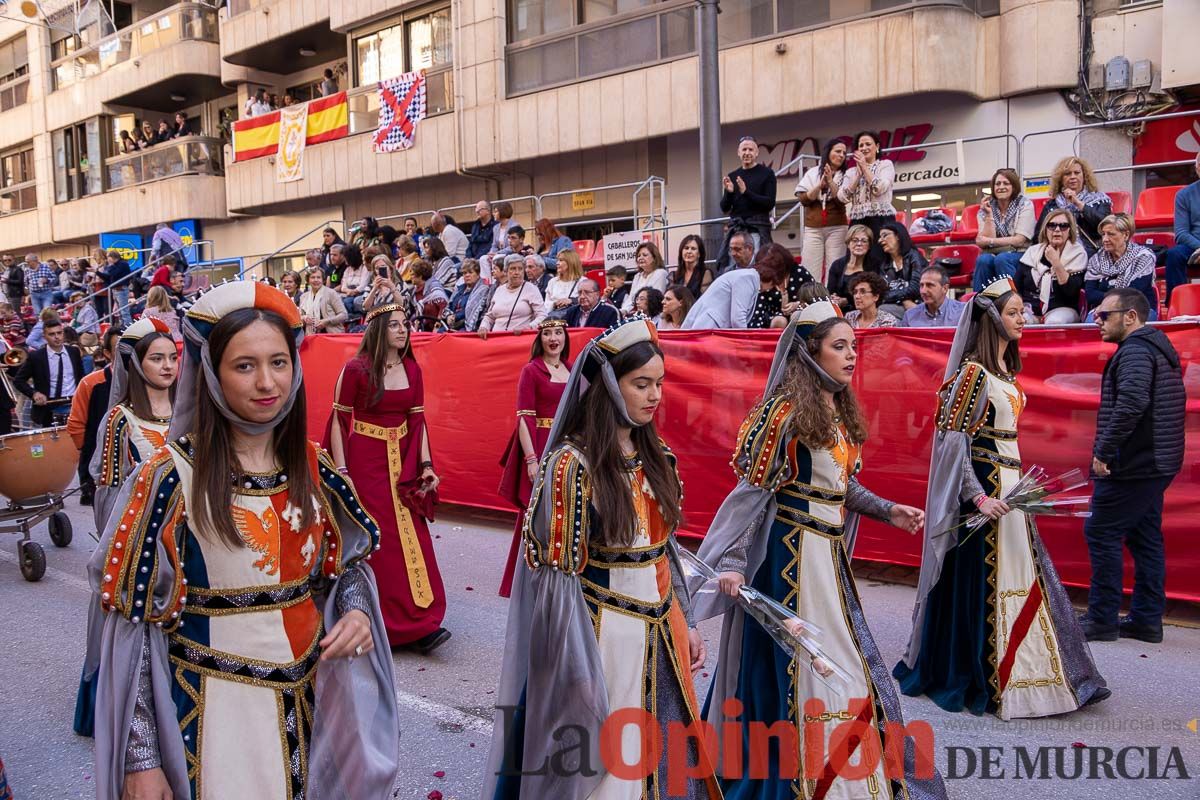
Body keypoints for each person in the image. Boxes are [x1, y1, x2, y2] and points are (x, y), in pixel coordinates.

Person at [86, 282, 400, 800]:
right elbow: (131, 625)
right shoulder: (170, 477)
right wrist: (140, 758)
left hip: (313, 709)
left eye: (278, 362)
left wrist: (358, 611)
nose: (266, 382)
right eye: (244, 365)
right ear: (211, 373)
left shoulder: (312, 466)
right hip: (214, 717)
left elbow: (345, 567)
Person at [691, 301, 942, 798]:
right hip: (789, 565)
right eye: (839, 346)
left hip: (829, 562)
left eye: (853, 346)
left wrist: (886, 509)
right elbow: (751, 497)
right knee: (801, 670)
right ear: (810, 352)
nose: (852, 356)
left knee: (842, 665)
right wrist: (735, 565)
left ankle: (844, 771)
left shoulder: (838, 409)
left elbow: (838, 486)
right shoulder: (782, 413)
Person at [483, 316, 714, 799]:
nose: (654, 396)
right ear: (610, 385)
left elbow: (665, 551)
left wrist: (687, 621)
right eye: (641, 384)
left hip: (660, 637)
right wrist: (571, 669)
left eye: (659, 384)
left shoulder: (658, 455)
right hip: (601, 641)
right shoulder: (573, 463)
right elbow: (556, 585)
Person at [894, 277, 1109, 719]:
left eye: (1021, 312)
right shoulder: (972, 374)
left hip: (1012, 487)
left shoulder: (1004, 374)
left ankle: (1029, 671)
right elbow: (954, 444)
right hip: (989, 493)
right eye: (1013, 313)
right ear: (992, 320)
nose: (1022, 319)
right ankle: (984, 674)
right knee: (987, 583)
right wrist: (976, 498)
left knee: (1021, 576)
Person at [325, 300, 449, 657]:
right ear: (380, 330)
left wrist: (426, 465)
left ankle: (422, 622)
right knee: (381, 539)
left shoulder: (413, 368)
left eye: (405, 324)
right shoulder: (356, 369)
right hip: (366, 461)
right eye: (395, 324)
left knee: (415, 537)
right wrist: (343, 471)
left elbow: (418, 421)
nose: (403, 329)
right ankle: (382, 623)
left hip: (403, 462)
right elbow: (339, 420)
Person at [1081, 288, 1185, 643]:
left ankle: (1102, 619)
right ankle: (1145, 619)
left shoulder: (1137, 352)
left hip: (1136, 462)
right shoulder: (1151, 348)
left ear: (1130, 316)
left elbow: (1131, 404)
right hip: (1155, 461)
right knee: (1144, 537)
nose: (1098, 321)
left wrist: (1104, 451)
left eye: (1104, 315)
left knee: (1102, 532)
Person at [496, 319, 572, 597]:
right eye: (548, 333)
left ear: (565, 337)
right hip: (540, 445)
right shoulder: (531, 371)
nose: (554, 338)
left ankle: (559, 573)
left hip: (566, 446)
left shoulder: (572, 369)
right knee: (535, 514)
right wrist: (530, 458)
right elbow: (524, 418)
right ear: (540, 339)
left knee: (565, 510)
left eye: (558, 333)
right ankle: (526, 577)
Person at [88, 318, 177, 536]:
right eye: (157, 359)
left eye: (173, 358)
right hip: (145, 532)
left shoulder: (192, 412)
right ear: (136, 364)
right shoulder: (121, 418)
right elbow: (111, 489)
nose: (168, 365)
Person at [67, 326, 122, 507]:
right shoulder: (90, 383)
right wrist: (94, 455)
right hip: (99, 469)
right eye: (119, 349)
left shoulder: (147, 382)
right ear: (107, 353)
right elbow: (76, 425)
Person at [682, 244, 790, 329]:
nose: (769, 289)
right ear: (773, 278)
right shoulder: (748, 278)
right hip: (708, 328)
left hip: (708, 327)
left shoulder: (747, 277)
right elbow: (737, 319)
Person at [1015, 208, 1088, 324]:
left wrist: (1056, 263)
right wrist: (1022, 309)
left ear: (1070, 230)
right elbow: (1016, 287)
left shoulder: (1078, 254)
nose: (1057, 230)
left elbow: (1071, 293)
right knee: (1022, 320)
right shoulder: (1032, 252)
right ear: (1045, 230)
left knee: (1054, 321)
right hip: (1030, 309)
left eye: (1063, 226)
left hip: (1063, 308)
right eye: (1052, 225)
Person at [839, 130, 898, 267]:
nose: (864, 148)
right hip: (858, 220)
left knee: (880, 258)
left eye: (868, 144)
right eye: (861, 145)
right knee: (855, 260)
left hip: (881, 219)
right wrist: (857, 177)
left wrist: (865, 168)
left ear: (877, 147)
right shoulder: (851, 172)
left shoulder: (885, 165)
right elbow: (842, 197)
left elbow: (879, 188)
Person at [718, 135, 776, 272]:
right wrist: (729, 192)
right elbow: (724, 207)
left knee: (756, 268)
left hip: (757, 229)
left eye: (750, 149)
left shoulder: (767, 173)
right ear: (738, 153)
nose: (747, 153)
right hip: (736, 230)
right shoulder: (733, 175)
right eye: (744, 149)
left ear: (756, 153)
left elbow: (769, 203)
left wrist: (746, 192)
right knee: (734, 268)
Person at [794, 138, 850, 281]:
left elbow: (840, 200)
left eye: (844, 153)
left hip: (837, 228)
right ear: (828, 153)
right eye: (838, 151)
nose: (841, 155)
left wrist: (830, 182)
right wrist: (819, 186)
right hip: (813, 228)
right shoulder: (812, 172)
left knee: (835, 267)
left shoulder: (847, 175)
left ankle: (832, 302)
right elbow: (803, 199)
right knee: (809, 268)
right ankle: (811, 301)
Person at [13, 313, 83, 427]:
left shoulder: (73, 352)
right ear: (44, 336)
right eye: (52, 334)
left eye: (59, 333)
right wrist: (34, 394)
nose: (57, 337)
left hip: (74, 404)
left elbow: (81, 377)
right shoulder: (36, 357)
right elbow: (18, 381)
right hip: (48, 408)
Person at [1034, 156, 1112, 256]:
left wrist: (1079, 204)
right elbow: (1038, 235)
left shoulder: (1099, 200)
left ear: (1085, 176)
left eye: (1077, 173)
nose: (1072, 177)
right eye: (1067, 174)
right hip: (1057, 252)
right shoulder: (1052, 205)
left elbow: (1106, 225)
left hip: (1090, 251)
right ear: (1061, 179)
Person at [972, 168, 1036, 291]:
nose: (1001, 187)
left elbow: (1020, 240)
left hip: (1020, 253)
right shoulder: (986, 208)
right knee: (983, 260)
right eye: (997, 184)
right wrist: (989, 215)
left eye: (1006, 183)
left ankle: (1012, 301)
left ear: (1014, 186)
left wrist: (990, 242)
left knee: (1002, 259)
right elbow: (983, 243)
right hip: (995, 254)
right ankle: (980, 304)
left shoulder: (1025, 205)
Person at [1084, 213, 1157, 317]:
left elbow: (1134, 294)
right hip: (1103, 310)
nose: (1105, 239)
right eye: (1103, 234)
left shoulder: (1143, 257)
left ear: (1126, 235)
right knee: (1092, 322)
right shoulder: (1096, 260)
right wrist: (1116, 298)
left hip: (1138, 309)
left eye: (1111, 234)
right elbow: (1090, 294)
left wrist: (1107, 297)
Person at [746, 242, 814, 328]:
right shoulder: (761, 276)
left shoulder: (799, 272)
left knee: (797, 316)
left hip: (800, 312)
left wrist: (798, 304)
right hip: (770, 317)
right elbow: (758, 308)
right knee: (779, 321)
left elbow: (816, 296)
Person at [478, 254, 547, 337]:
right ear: (505, 271)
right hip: (496, 338)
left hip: (519, 339)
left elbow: (542, 315)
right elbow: (489, 316)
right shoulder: (499, 290)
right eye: (513, 269)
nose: (517, 272)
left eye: (520, 269)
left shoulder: (532, 289)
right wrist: (483, 327)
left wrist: (528, 327)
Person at [1165, 152, 1200, 302]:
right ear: (1197, 168)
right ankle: (1177, 305)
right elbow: (1181, 233)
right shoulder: (1184, 195)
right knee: (1174, 254)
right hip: (1195, 244)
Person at [877, 221, 925, 317]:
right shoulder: (884, 265)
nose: (880, 240)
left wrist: (895, 296)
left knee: (882, 311)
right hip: (899, 305)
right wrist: (904, 300)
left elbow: (916, 288)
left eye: (884, 235)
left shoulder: (914, 257)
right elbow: (882, 293)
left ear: (898, 236)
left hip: (918, 304)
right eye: (880, 237)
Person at [826, 224, 874, 311]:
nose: (859, 244)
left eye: (864, 241)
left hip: (864, 310)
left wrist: (847, 301)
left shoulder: (874, 266)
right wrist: (834, 298)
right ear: (848, 244)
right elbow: (830, 291)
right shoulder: (837, 265)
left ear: (869, 245)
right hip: (839, 311)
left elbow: (873, 294)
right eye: (855, 240)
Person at [622, 241, 670, 313]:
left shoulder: (660, 273)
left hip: (653, 314)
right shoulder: (637, 276)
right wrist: (624, 310)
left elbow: (655, 299)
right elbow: (631, 298)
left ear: (654, 257)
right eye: (638, 256)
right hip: (636, 313)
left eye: (644, 255)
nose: (640, 258)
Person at [298, 268, 348, 334]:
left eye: (318, 277)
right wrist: (304, 318)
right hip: (311, 336)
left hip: (332, 335)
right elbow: (299, 319)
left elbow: (344, 315)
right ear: (308, 280)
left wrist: (327, 321)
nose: (316, 280)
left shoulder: (331, 293)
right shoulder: (303, 297)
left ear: (323, 280)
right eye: (313, 277)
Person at [448, 259, 490, 331]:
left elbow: (473, 311)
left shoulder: (482, 290)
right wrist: (448, 316)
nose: (467, 275)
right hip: (452, 323)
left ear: (478, 274)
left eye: (470, 272)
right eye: (464, 273)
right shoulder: (459, 288)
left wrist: (456, 316)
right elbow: (449, 306)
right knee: (440, 333)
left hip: (466, 325)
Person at [410, 259, 449, 330]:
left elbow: (443, 309)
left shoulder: (435, 289)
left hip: (438, 327)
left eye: (413, 274)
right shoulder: (414, 291)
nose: (410, 277)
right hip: (422, 325)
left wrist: (436, 330)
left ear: (420, 276)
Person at [100, 249, 134, 326]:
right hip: (115, 290)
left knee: (124, 311)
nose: (107, 259)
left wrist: (110, 265)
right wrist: (97, 272)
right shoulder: (114, 266)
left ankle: (128, 327)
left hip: (121, 289)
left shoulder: (122, 264)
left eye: (108, 257)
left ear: (112, 257)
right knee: (120, 312)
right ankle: (123, 326)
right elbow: (108, 277)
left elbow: (113, 273)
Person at [337, 245, 371, 318]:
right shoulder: (347, 269)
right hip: (348, 292)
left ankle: (356, 317)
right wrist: (348, 291)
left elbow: (363, 285)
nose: (344, 259)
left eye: (345, 257)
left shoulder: (364, 268)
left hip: (360, 292)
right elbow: (343, 285)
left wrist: (354, 291)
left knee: (349, 302)